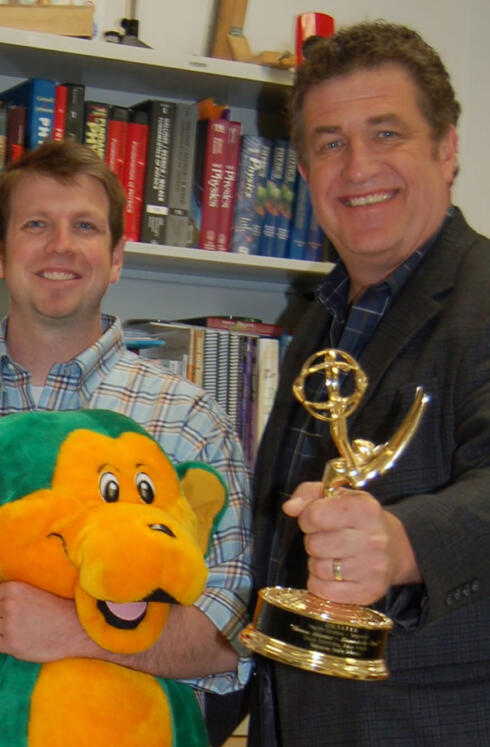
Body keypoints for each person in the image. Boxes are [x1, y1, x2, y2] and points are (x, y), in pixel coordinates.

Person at [0, 139, 253, 746]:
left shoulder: (190, 419)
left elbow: (228, 632)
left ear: (116, 258)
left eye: (84, 226)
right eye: (37, 225)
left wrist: (76, 631)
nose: (60, 246)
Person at [248, 21, 490, 746]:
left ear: (447, 149)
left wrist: (403, 540)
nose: (357, 167)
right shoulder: (319, 324)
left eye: (386, 135)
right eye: (330, 142)